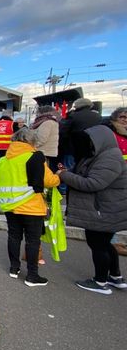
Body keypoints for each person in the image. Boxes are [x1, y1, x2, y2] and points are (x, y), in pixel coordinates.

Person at [58, 125, 127, 294]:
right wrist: (69, 171)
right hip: (105, 208)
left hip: (103, 209)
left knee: (98, 245)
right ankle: (115, 277)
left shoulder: (109, 158)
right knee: (104, 243)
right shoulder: (103, 155)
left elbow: (93, 183)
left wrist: (64, 175)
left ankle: (100, 281)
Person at [0, 128, 60, 286]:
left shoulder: (4, 160)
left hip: (10, 206)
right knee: (32, 241)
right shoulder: (34, 157)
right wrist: (59, 175)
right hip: (31, 205)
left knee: (14, 236)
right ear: (31, 141)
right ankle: (32, 275)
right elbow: (50, 181)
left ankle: (14, 268)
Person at [58, 98, 101, 193]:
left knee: (67, 169)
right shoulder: (97, 116)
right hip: (95, 148)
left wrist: (63, 146)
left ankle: (64, 189)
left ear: (76, 106)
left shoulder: (73, 116)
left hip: (73, 148)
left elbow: (63, 132)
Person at [102, 107, 127, 256]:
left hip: (122, 176)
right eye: (123, 117)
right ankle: (112, 242)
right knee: (112, 210)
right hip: (113, 175)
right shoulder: (111, 133)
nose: (125, 120)